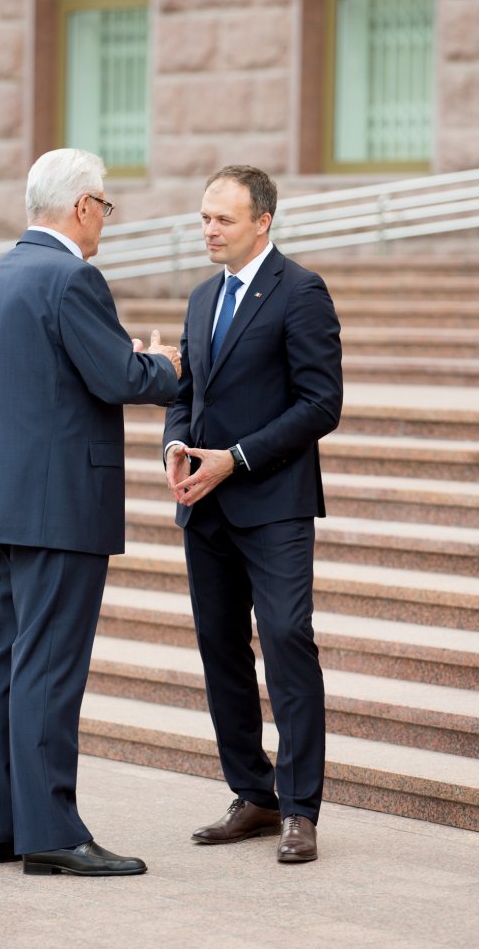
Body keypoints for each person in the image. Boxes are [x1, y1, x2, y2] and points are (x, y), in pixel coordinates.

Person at [0, 148, 181, 877]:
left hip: (4, 501)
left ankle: (8, 828)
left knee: (7, 664)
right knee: (49, 672)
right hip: (60, 506)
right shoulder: (72, 277)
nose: (104, 223)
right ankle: (53, 833)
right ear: (84, 205)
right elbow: (117, 375)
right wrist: (167, 367)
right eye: (106, 208)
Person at [163, 164, 343, 863]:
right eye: (205, 217)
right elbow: (188, 391)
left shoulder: (302, 292)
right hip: (205, 510)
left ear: (262, 222)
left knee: (288, 641)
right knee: (221, 653)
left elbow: (321, 404)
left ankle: (301, 808)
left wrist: (234, 458)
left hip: (273, 505)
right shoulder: (202, 296)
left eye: (223, 219)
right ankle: (255, 794)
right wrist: (176, 443)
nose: (209, 229)